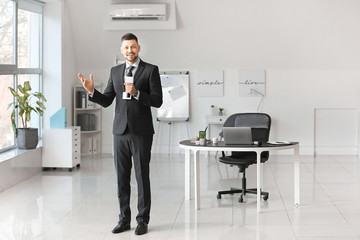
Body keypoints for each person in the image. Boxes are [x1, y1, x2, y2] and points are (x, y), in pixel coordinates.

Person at [78, 33, 163, 235]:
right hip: (119, 132)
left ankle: (142, 220)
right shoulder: (115, 71)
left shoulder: (150, 70)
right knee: (121, 178)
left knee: (142, 177)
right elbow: (107, 100)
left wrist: (137, 93)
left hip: (142, 132)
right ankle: (124, 219)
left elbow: (158, 101)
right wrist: (92, 92)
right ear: (121, 50)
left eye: (133, 47)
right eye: (126, 47)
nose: (130, 51)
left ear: (139, 48)